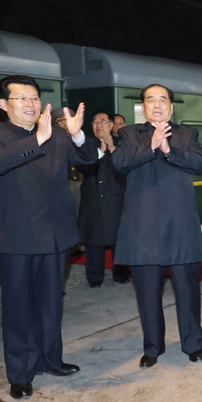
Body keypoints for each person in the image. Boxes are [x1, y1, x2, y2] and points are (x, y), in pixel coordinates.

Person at [0, 75, 97, 399]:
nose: (30, 104)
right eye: (21, 98)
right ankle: (21, 373)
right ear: (4, 104)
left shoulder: (58, 135)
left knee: (51, 304)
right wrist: (38, 139)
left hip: (56, 235)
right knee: (19, 308)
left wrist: (77, 135)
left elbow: (89, 160)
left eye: (34, 97)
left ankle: (50, 359)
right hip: (18, 238)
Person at [112, 84, 202, 369]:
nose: (157, 105)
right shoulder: (129, 134)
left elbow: (199, 162)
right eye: (150, 100)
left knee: (187, 291)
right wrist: (151, 146)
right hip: (143, 228)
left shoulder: (186, 134)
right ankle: (152, 347)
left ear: (171, 106)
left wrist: (168, 150)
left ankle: (193, 344)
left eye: (162, 100)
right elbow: (120, 162)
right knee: (147, 293)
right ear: (143, 107)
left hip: (180, 226)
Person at [77, 111, 129, 287]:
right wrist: (100, 151)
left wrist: (112, 148)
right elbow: (82, 167)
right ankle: (94, 277)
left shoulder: (122, 144)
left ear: (111, 125)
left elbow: (126, 167)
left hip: (117, 199)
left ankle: (121, 274)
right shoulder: (86, 144)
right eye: (95, 121)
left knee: (119, 240)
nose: (98, 125)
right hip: (93, 199)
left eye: (103, 121)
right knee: (94, 240)